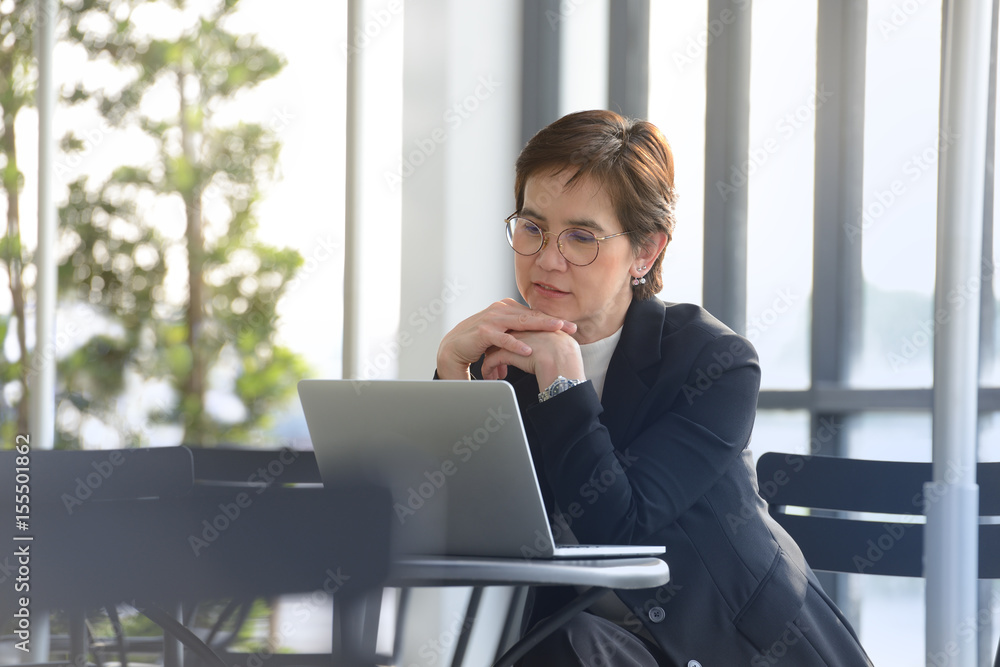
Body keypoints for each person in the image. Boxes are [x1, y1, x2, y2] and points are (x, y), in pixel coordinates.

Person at [435, 109, 872, 666]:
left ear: (644, 252)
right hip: (589, 645)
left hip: (739, 650)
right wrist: (454, 369)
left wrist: (564, 381)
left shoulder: (714, 362)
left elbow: (620, 526)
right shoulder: (510, 358)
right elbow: (461, 526)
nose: (547, 259)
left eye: (582, 237)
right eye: (533, 227)